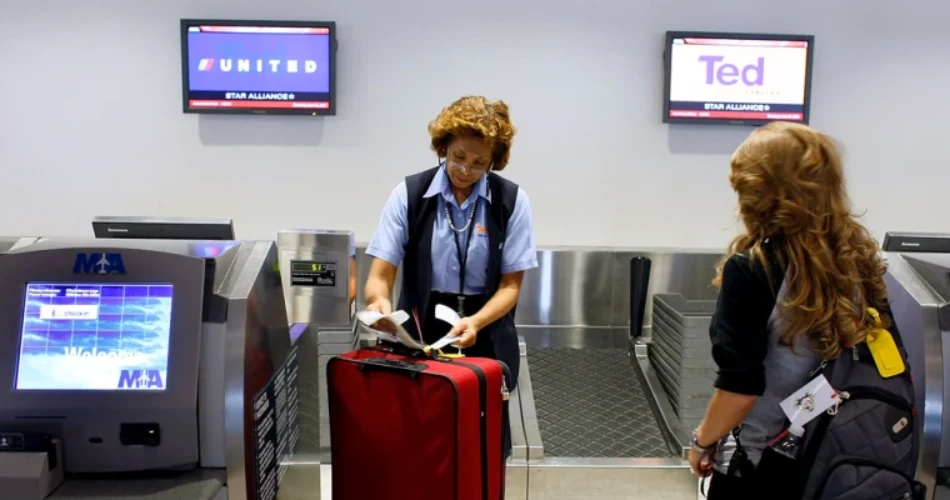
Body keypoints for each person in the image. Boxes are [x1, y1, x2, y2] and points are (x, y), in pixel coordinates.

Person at [686, 122, 893, 498]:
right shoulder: (858, 262)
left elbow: (741, 389)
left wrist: (702, 441)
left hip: (762, 462)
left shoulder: (754, 268)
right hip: (838, 457)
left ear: (758, 192)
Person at [363, 95, 538, 395]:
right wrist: (378, 303)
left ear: (493, 161)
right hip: (420, 333)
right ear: (444, 146)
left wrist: (476, 322)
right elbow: (381, 275)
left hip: (486, 331)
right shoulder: (410, 195)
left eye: (479, 163)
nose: (465, 171)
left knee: (484, 432)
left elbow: (510, 286)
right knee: (422, 428)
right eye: (458, 157)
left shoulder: (510, 202)